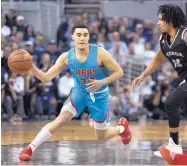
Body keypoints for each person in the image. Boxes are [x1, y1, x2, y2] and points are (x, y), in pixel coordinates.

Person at [19, 24, 132, 161]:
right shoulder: (66, 57)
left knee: (101, 136)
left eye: (85, 35)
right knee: (61, 120)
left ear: (89, 37)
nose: (82, 38)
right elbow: (46, 77)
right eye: (79, 35)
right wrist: (31, 66)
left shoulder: (100, 53)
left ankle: (121, 128)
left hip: (99, 95)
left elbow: (119, 72)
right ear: (73, 37)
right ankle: (30, 148)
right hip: (80, 93)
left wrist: (102, 82)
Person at [132, 4, 187, 158]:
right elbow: (157, 61)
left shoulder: (184, 35)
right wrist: (142, 76)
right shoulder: (163, 39)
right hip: (184, 78)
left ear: (170, 20)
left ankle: (174, 144)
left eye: (161, 19)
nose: (158, 23)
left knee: (170, 102)